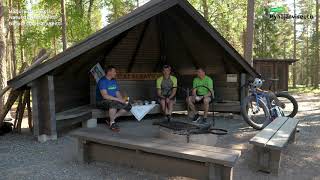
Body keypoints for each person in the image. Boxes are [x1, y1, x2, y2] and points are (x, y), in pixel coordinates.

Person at [96, 65, 131, 131]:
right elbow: (105, 96)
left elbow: (117, 93)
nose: (115, 73)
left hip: (113, 101)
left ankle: (111, 119)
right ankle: (112, 123)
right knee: (114, 103)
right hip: (101, 101)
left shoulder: (113, 81)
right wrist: (119, 100)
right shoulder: (102, 81)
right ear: (109, 72)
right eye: (114, 71)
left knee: (128, 105)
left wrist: (122, 100)